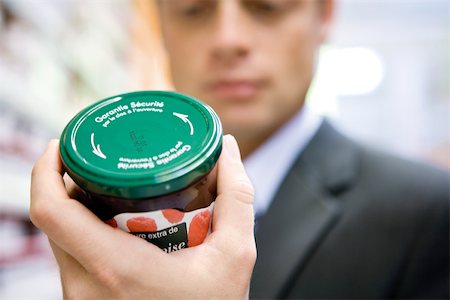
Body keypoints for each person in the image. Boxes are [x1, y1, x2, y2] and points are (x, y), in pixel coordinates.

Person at [30, 0, 449, 298]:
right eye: (193, 10)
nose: (228, 40)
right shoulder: (99, 212)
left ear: (324, 16)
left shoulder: (431, 212)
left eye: (266, 7)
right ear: (161, 26)